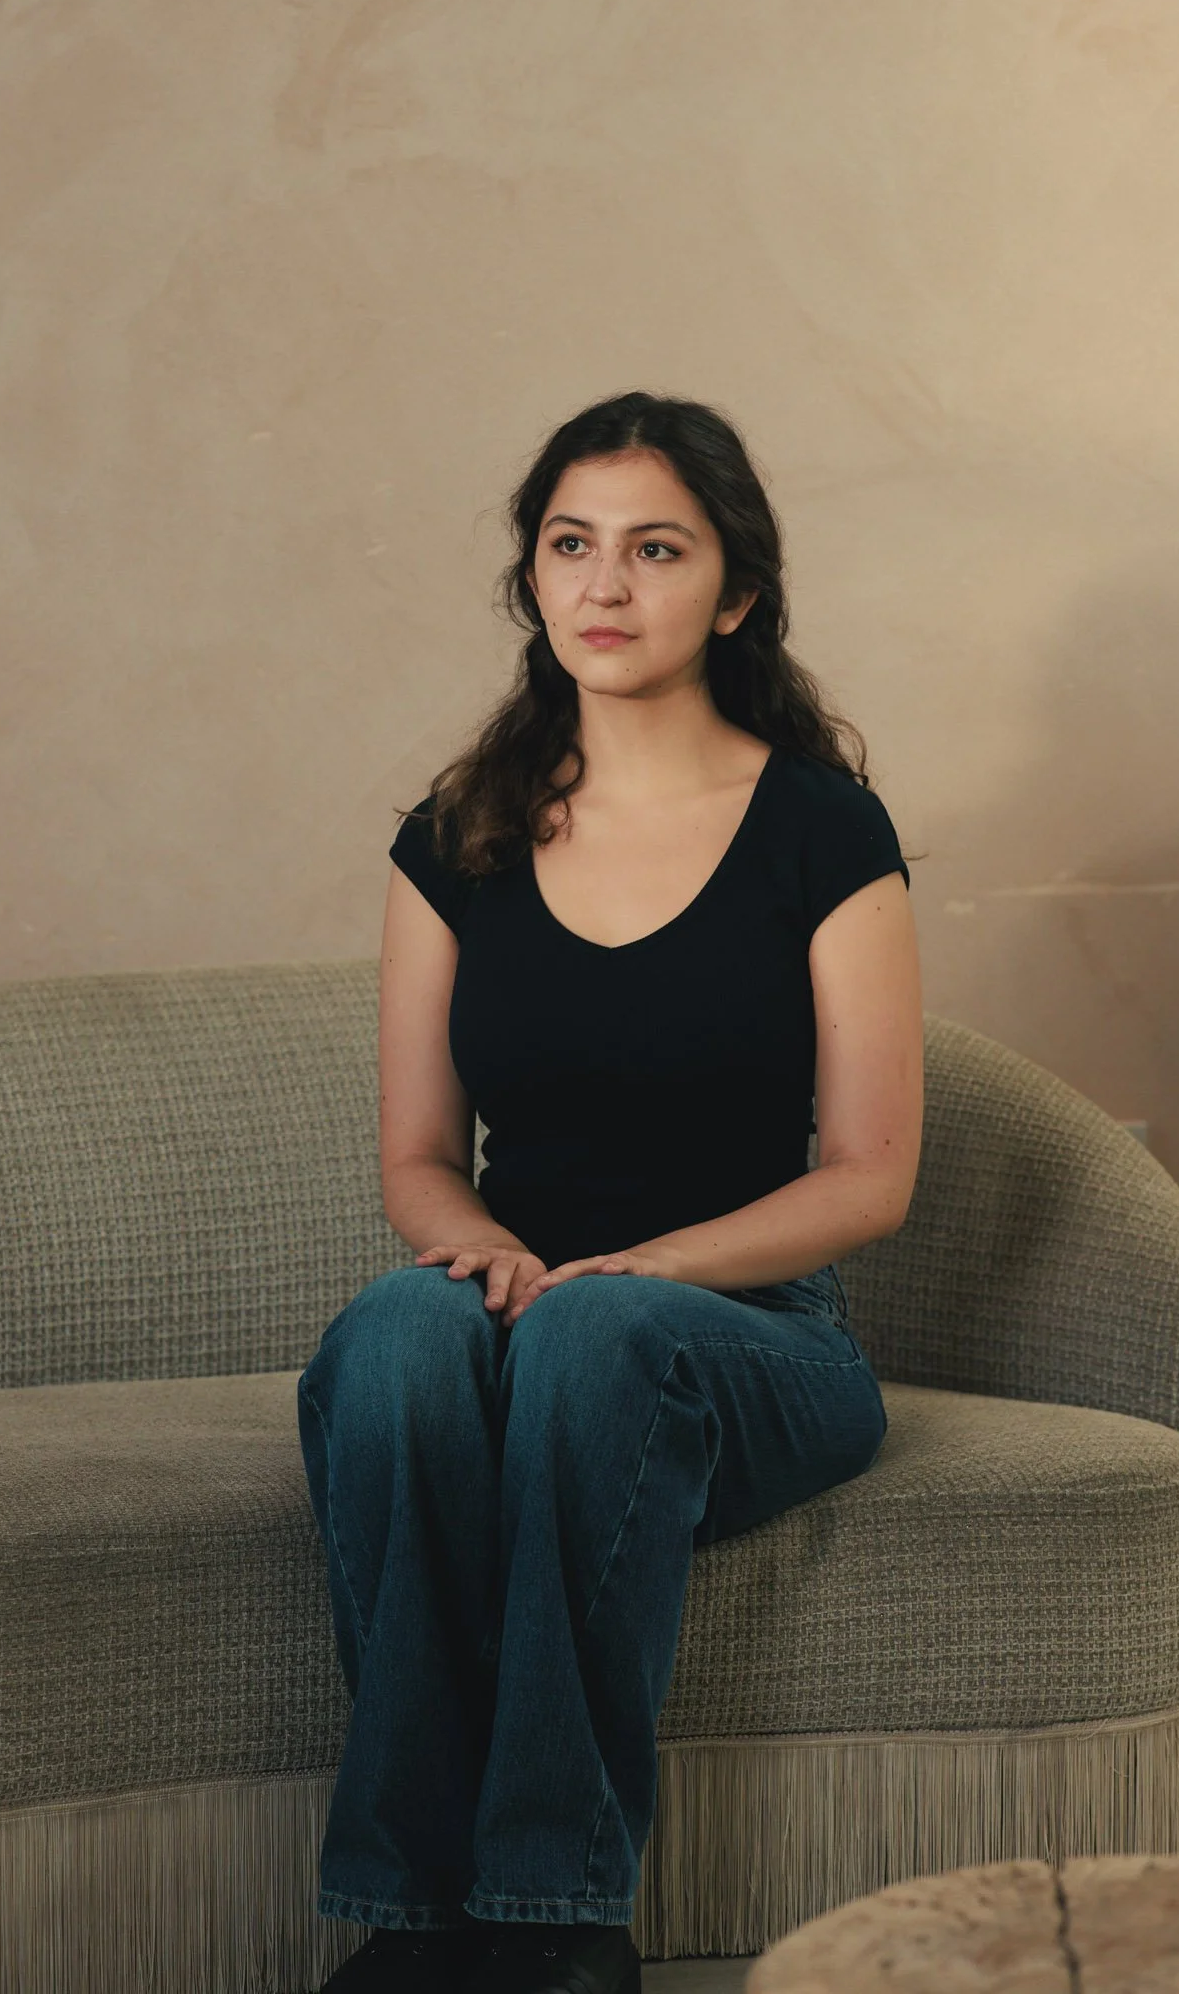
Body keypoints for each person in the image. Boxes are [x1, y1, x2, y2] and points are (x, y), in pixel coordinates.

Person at [297, 391, 924, 1994]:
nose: (605, 585)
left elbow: (870, 1177)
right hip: (531, 1307)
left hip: (756, 1334)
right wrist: (494, 1256)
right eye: (571, 545)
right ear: (534, 579)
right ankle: (407, 1910)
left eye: (657, 549)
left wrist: (638, 1272)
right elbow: (419, 1160)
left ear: (738, 592)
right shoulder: (456, 839)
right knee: (390, 1340)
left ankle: (555, 1919)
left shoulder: (822, 832)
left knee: (596, 1343)